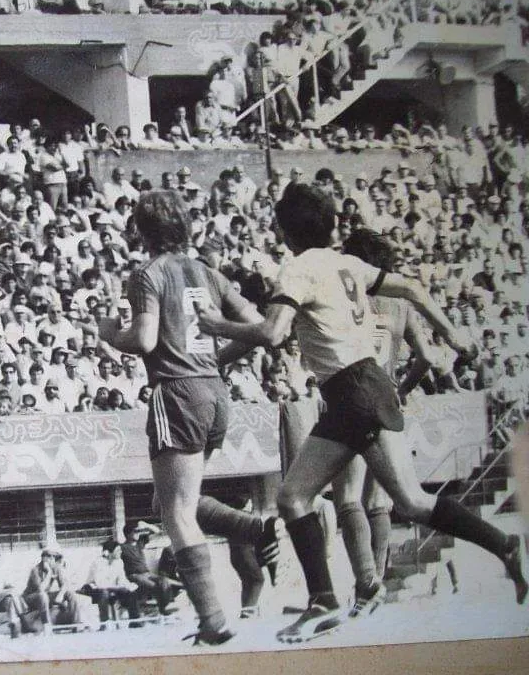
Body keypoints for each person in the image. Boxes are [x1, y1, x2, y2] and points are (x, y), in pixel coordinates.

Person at [195, 183, 528, 644]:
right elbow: (412, 287)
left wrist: (216, 326)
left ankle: (324, 601)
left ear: (285, 233)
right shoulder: (344, 263)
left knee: (298, 499)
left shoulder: (298, 270)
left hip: (352, 390)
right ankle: (504, 545)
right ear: (331, 225)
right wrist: (452, 335)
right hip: (368, 385)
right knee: (405, 501)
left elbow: (272, 334)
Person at [98, 189, 280, 646]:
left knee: (176, 511)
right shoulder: (207, 273)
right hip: (215, 392)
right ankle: (254, 528)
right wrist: (216, 358)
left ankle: (213, 619)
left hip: (176, 392)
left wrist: (109, 334)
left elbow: (144, 340)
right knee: (169, 503)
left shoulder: (149, 273)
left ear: (142, 230)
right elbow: (258, 326)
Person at [329, 228, 442, 618]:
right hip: (387, 401)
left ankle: (366, 585)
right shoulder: (400, 303)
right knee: (379, 502)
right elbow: (427, 357)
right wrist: (403, 389)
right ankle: (377, 579)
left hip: (351, 398)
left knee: (348, 498)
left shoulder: (346, 296)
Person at [82, 538, 141, 625]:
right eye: (118, 550)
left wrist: (130, 585)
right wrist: (118, 587)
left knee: (131, 592)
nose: (120, 552)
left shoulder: (119, 562)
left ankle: (135, 622)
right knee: (104, 593)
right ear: (107, 553)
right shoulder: (97, 562)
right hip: (93, 589)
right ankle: (105, 623)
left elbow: (122, 580)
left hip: (112, 588)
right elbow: (100, 584)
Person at [21, 548, 80, 629]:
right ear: (43, 558)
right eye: (50, 557)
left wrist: (60, 594)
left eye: (54, 558)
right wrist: (49, 573)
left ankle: (76, 624)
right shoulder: (35, 570)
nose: (53, 560)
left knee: (70, 593)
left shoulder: (55, 567)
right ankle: (47, 625)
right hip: (30, 598)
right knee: (42, 595)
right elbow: (40, 589)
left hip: (44, 597)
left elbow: (65, 584)